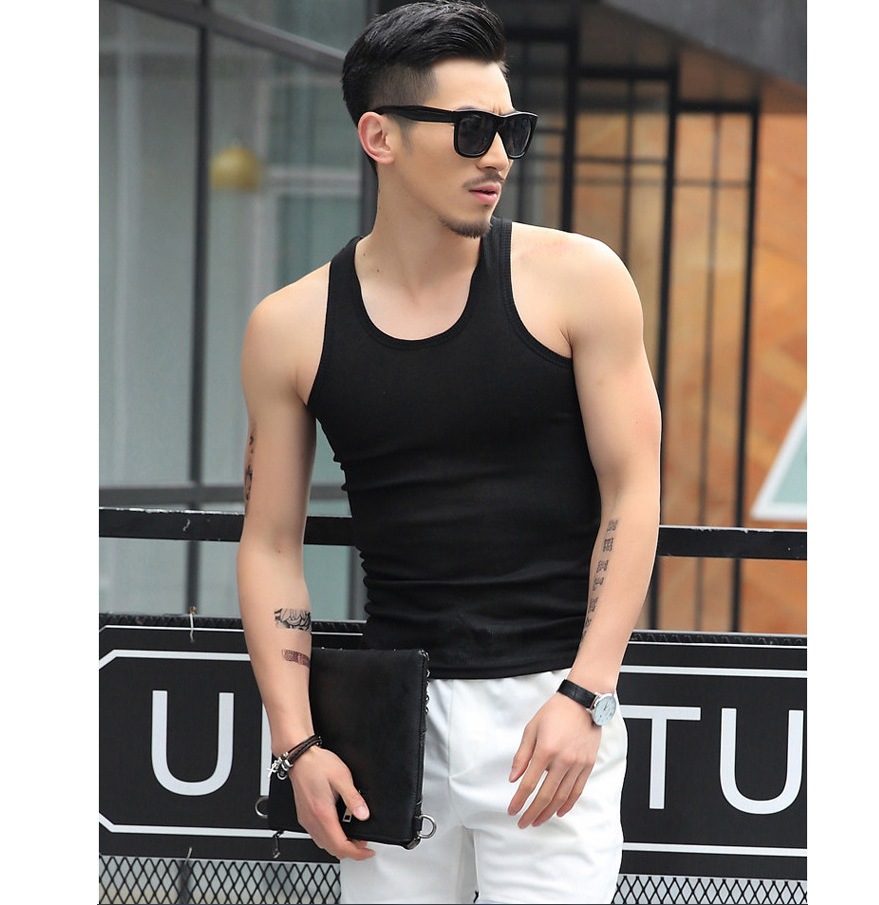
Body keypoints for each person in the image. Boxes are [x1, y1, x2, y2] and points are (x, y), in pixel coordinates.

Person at [237, 2, 661, 902]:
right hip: (390, 719)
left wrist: (587, 693)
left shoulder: (580, 280)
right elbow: (269, 542)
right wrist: (296, 743)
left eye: (511, 130)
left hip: (551, 707)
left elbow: (633, 490)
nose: (497, 155)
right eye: (471, 130)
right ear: (379, 136)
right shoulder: (290, 326)